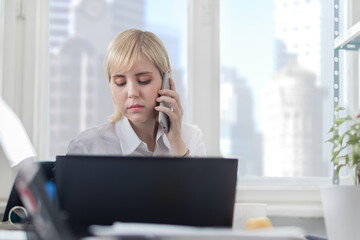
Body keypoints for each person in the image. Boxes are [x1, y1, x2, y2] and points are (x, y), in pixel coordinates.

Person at [67, 29, 206, 157]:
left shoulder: (191, 138)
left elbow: (201, 185)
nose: (132, 93)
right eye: (120, 83)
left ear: (166, 80)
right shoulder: (87, 147)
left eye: (144, 80)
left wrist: (177, 143)